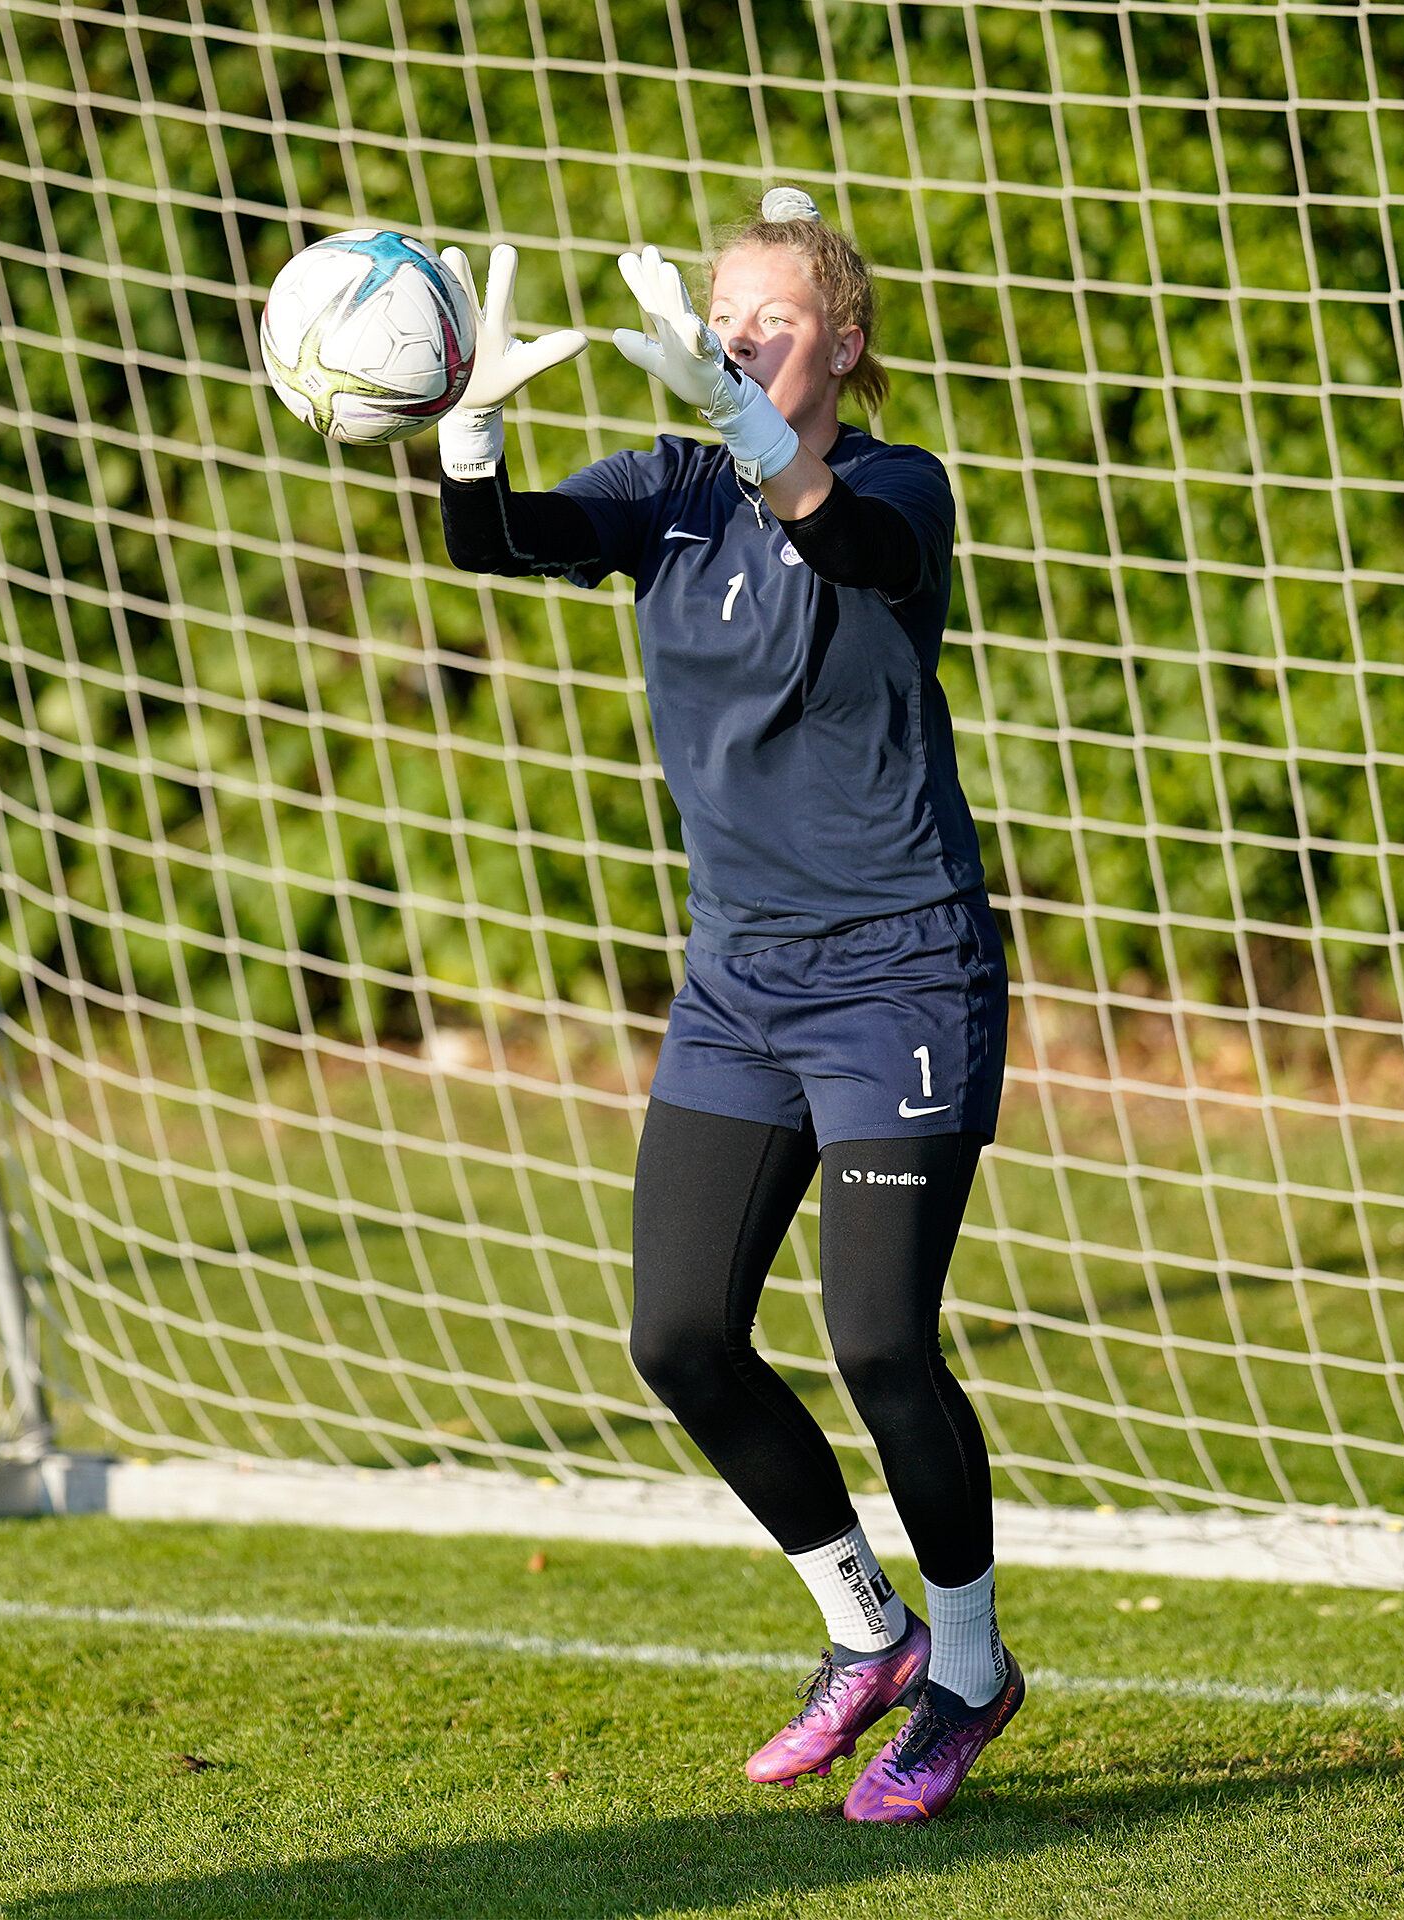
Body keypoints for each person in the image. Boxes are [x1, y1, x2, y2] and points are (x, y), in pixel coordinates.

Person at [434, 187, 1020, 1824]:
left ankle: (973, 1670)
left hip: (902, 967)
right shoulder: (673, 491)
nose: (740, 331)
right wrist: (467, 436)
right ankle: (869, 1632)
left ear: (843, 339)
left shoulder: (899, 486)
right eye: (722, 311)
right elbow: (506, 542)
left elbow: (849, 538)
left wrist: (745, 424)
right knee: (681, 1334)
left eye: (771, 317)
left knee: (883, 1344)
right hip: (740, 983)